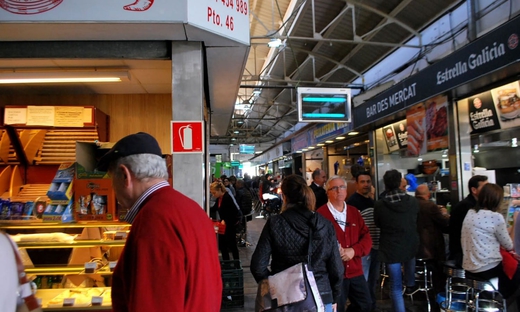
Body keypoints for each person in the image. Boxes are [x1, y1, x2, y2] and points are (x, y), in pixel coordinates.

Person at [96, 132, 222, 312]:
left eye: (111, 178)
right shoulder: (191, 209)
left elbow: (153, 303)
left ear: (125, 176)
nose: (112, 187)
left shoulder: (153, 222)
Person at [251, 174, 344, 312]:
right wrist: (334, 297)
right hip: (321, 297)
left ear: (284, 197)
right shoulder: (325, 224)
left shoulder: (275, 223)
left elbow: (258, 266)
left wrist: (275, 286)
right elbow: (337, 269)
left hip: (285, 300)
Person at [318, 176, 372, 312]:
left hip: (355, 271)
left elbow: (366, 237)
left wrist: (354, 251)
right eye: (334, 188)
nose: (339, 191)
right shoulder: (320, 215)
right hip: (334, 275)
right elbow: (316, 245)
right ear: (327, 192)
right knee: (337, 308)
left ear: (346, 191)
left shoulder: (354, 212)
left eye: (342, 187)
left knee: (365, 305)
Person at [461, 183, 520, 306]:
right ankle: (502, 306)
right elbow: (509, 245)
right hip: (488, 269)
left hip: (469, 269)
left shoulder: (470, 213)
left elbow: (487, 233)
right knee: (516, 281)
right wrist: (515, 221)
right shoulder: (495, 217)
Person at [374, 169, 419, 312]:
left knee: (395, 286)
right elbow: (415, 220)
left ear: (386, 184)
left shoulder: (380, 205)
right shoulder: (412, 202)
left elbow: (378, 223)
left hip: (390, 248)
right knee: (408, 281)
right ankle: (410, 284)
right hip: (410, 245)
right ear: (400, 182)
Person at [346, 171, 380, 311]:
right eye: (363, 182)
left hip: (375, 247)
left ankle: (371, 306)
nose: (366, 184)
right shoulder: (352, 203)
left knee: (372, 281)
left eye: (368, 181)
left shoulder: (373, 201)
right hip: (362, 250)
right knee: (362, 281)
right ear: (357, 184)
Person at [415, 184, 450, 294]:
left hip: (415, 247)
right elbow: (445, 224)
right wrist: (445, 214)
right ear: (429, 195)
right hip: (431, 248)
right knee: (440, 265)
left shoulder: (410, 205)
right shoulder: (430, 207)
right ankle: (438, 290)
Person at [448, 175, 488, 266]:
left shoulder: (477, 205)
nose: (488, 191)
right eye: (485, 188)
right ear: (474, 190)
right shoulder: (466, 207)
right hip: (463, 254)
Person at [210, 181, 240, 260]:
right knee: (223, 245)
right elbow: (215, 208)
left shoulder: (227, 198)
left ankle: (236, 262)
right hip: (225, 225)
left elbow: (234, 212)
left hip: (230, 225)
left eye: (214, 192)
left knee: (232, 245)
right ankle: (227, 261)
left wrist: (225, 220)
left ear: (219, 190)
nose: (213, 195)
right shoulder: (220, 198)